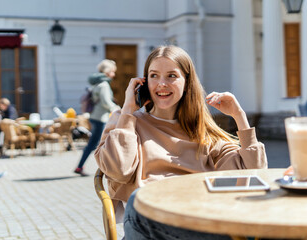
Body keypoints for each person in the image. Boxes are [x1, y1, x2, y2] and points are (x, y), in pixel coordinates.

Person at [94, 45, 267, 239]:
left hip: (197, 215)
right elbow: (118, 169)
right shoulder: (124, 120)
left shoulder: (203, 132)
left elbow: (253, 175)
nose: (162, 84)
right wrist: (127, 110)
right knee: (138, 200)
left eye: (171, 76)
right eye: (154, 75)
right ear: (143, 82)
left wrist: (239, 116)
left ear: (187, 81)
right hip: (148, 221)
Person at [74, 59, 120, 176]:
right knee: (100, 144)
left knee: (95, 143)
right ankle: (107, 168)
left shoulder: (96, 83)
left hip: (95, 116)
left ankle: (80, 166)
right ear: (108, 71)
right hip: (101, 118)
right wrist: (117, 109)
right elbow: (106, 102)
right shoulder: (104, 85)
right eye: (113, 71)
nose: (114, 74)